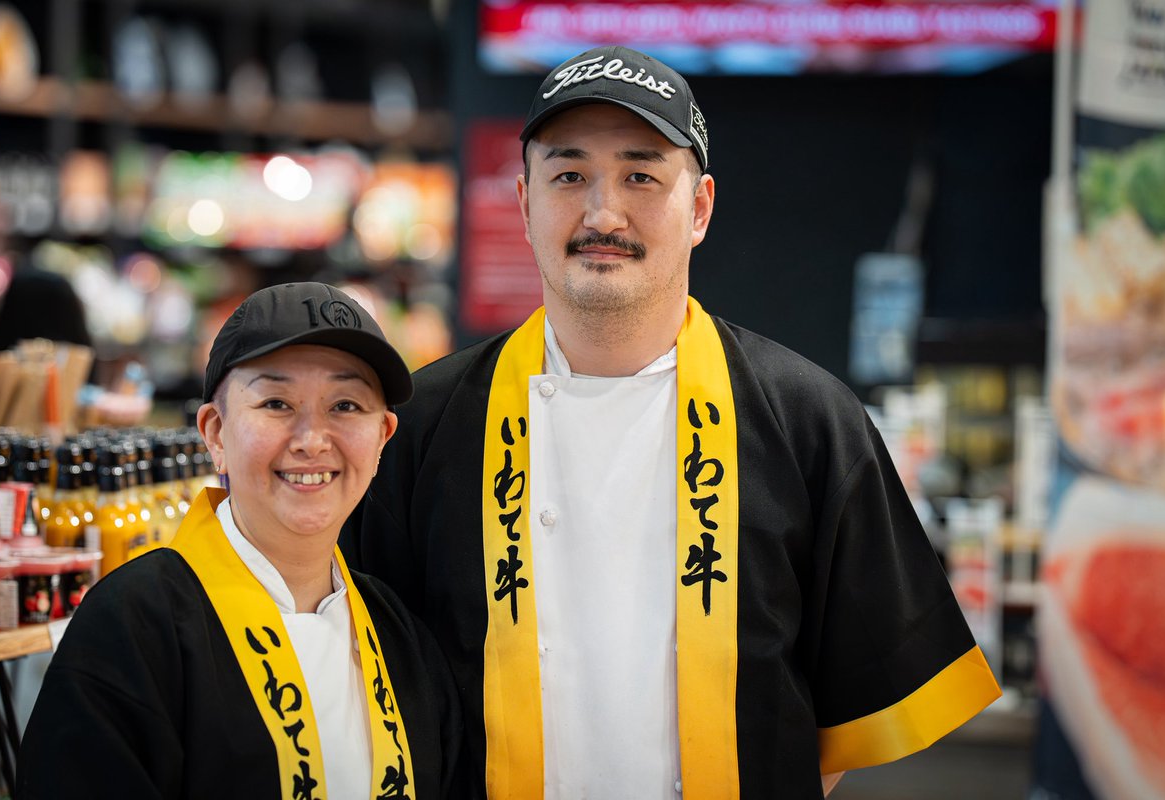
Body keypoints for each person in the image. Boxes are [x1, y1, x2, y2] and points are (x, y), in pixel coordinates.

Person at [340, 46, 1001, 798]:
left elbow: (843, 711)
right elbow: (372, 683)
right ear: (524, 204)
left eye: (640, 175)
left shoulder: (807, 420)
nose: (602, 213)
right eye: (568, 175)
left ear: (700, 208)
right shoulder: (423, 427)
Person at [18, 282, 468, 799]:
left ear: (384, 436)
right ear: (214, 431)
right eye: (276, 403)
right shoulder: (133, 623)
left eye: (345, 405)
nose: (312, 440)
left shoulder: (401, 637)